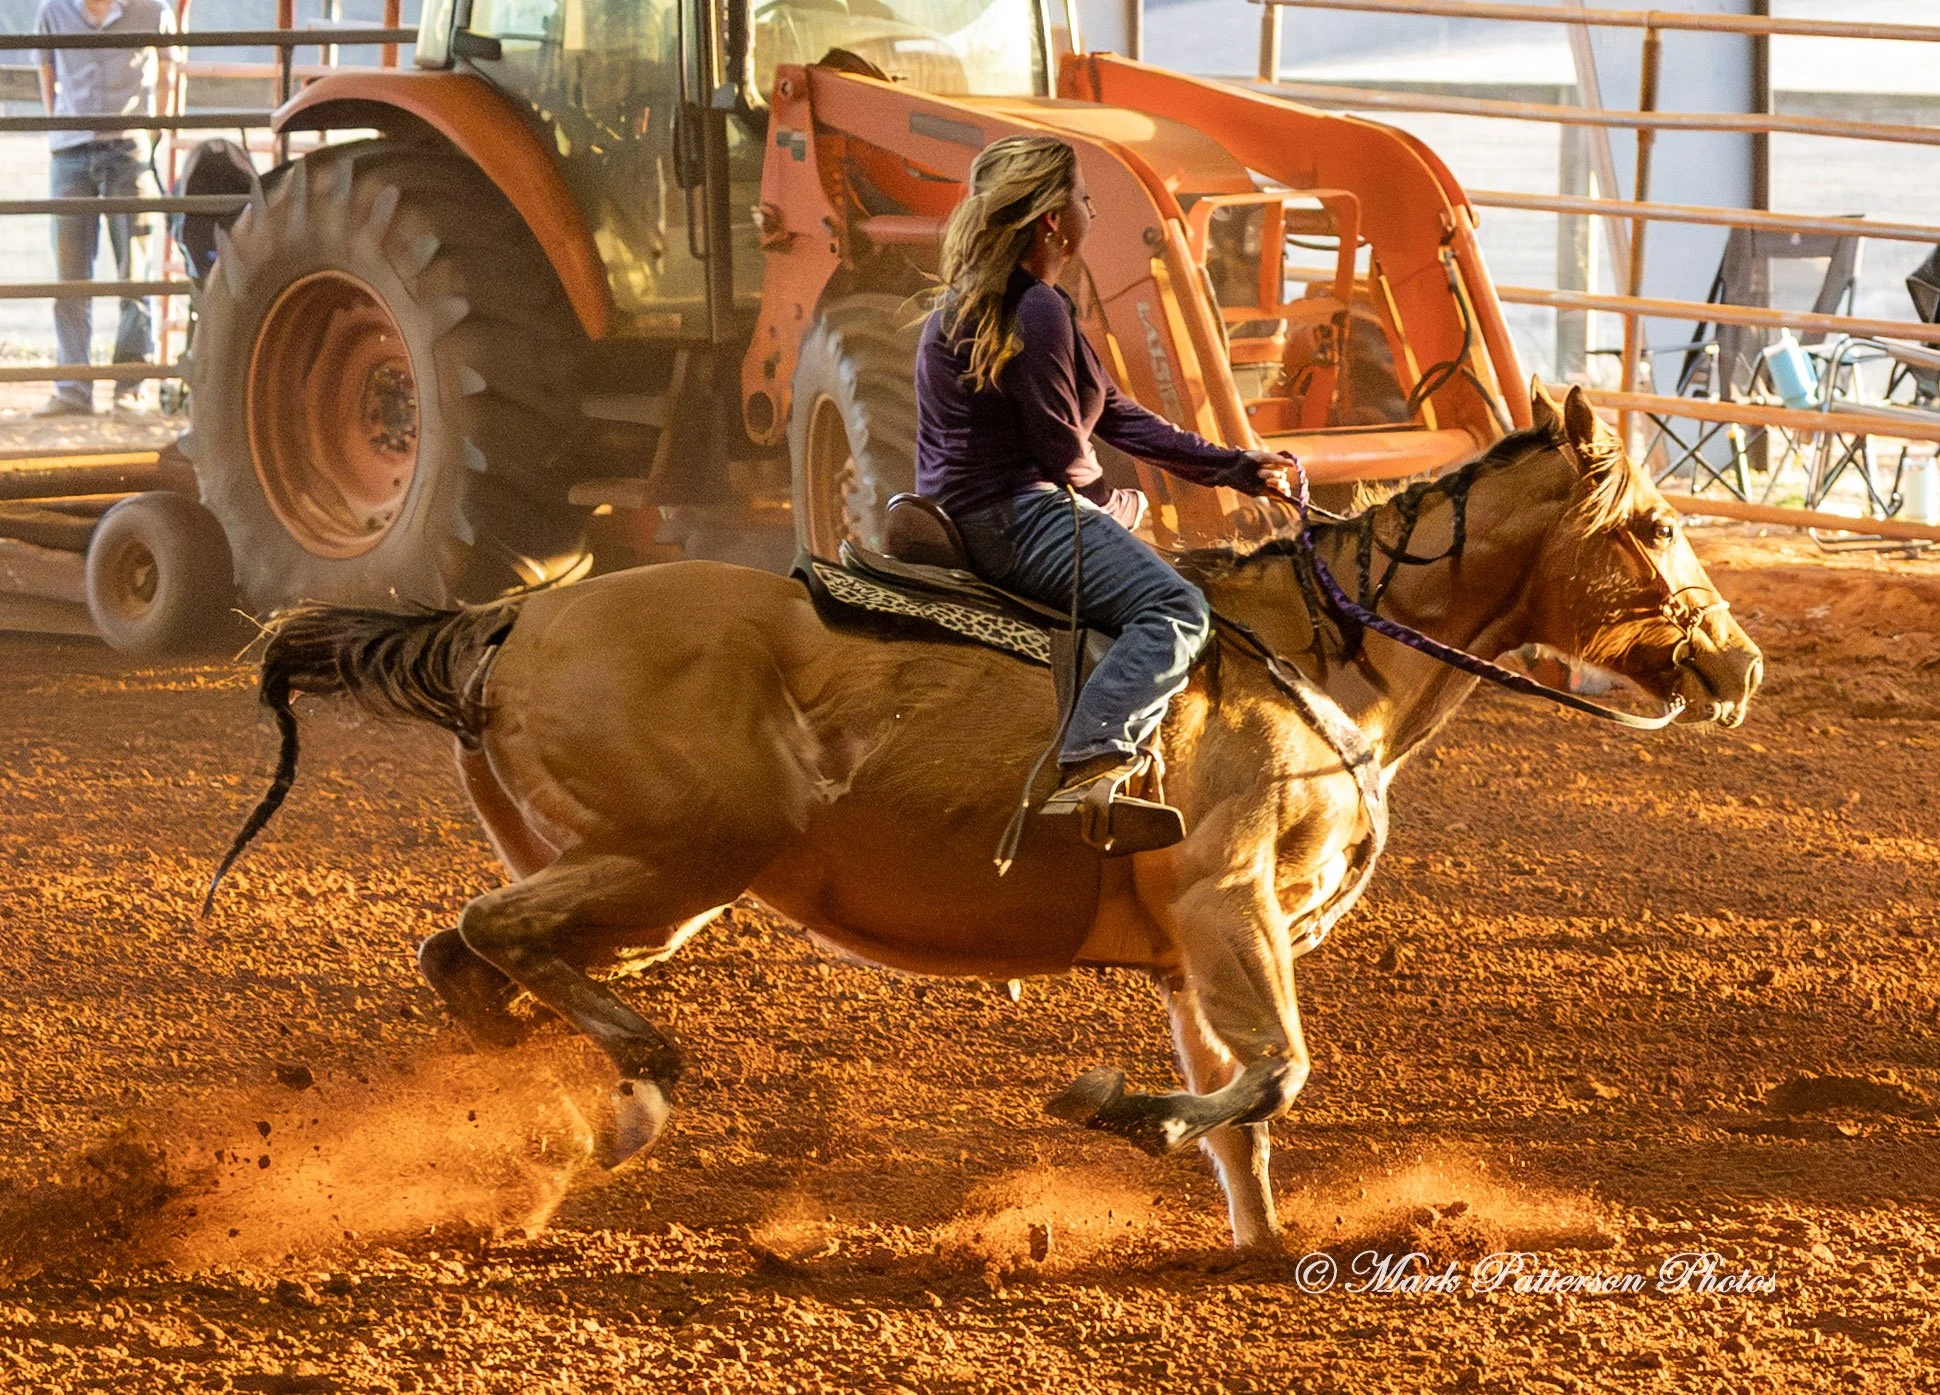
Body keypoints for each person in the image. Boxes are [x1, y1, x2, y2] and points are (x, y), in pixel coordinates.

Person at [914, 134, 1295, 854]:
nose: (1092, 206)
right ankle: (1096, 756)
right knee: (1177, 607)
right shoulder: (1039, 310)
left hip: (969, 513)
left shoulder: (978, 303)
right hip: (1020, 516)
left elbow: (1114, 414)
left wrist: (1236, 466)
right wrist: (1109, 509)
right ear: (1054, 221)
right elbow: (1066, 450)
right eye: (1083, 197)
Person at [34, 0, 177, 417]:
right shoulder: (53, 12)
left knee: (135, 273)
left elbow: (168, 69)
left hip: (128, 151)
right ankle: (73, 388)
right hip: (71, 153)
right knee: (70, 276)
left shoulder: (152, 11)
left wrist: (153, 133)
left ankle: (129, 389)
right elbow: (48, 74)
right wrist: (60, 131)